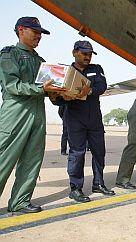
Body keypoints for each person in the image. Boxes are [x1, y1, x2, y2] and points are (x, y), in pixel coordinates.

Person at [0, 17, 65, 213]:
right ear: (21, 30)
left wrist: (61, 92)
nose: (39, 36)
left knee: (32, 159)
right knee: (4, 159)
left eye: (41, 33)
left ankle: (20, 201)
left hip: (37, 114)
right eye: (35, 31)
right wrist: (40, 88)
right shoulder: (9, 55)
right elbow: (11, 85)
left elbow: (48, 90)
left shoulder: (41, 62)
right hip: (16, 114)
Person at [55, 40, 115, 203]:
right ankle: (75, 188)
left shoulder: (96, 69)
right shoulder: (67, 72)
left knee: (99, 152)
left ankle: (98, 183)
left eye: (90, 54)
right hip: (75, 118)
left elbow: (102, 86)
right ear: (74, 53)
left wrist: (89, 91)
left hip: (94, 118)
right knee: (77, 153)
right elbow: (58, 99)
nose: (88, 56)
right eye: (84, 53)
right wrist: (61, 96)